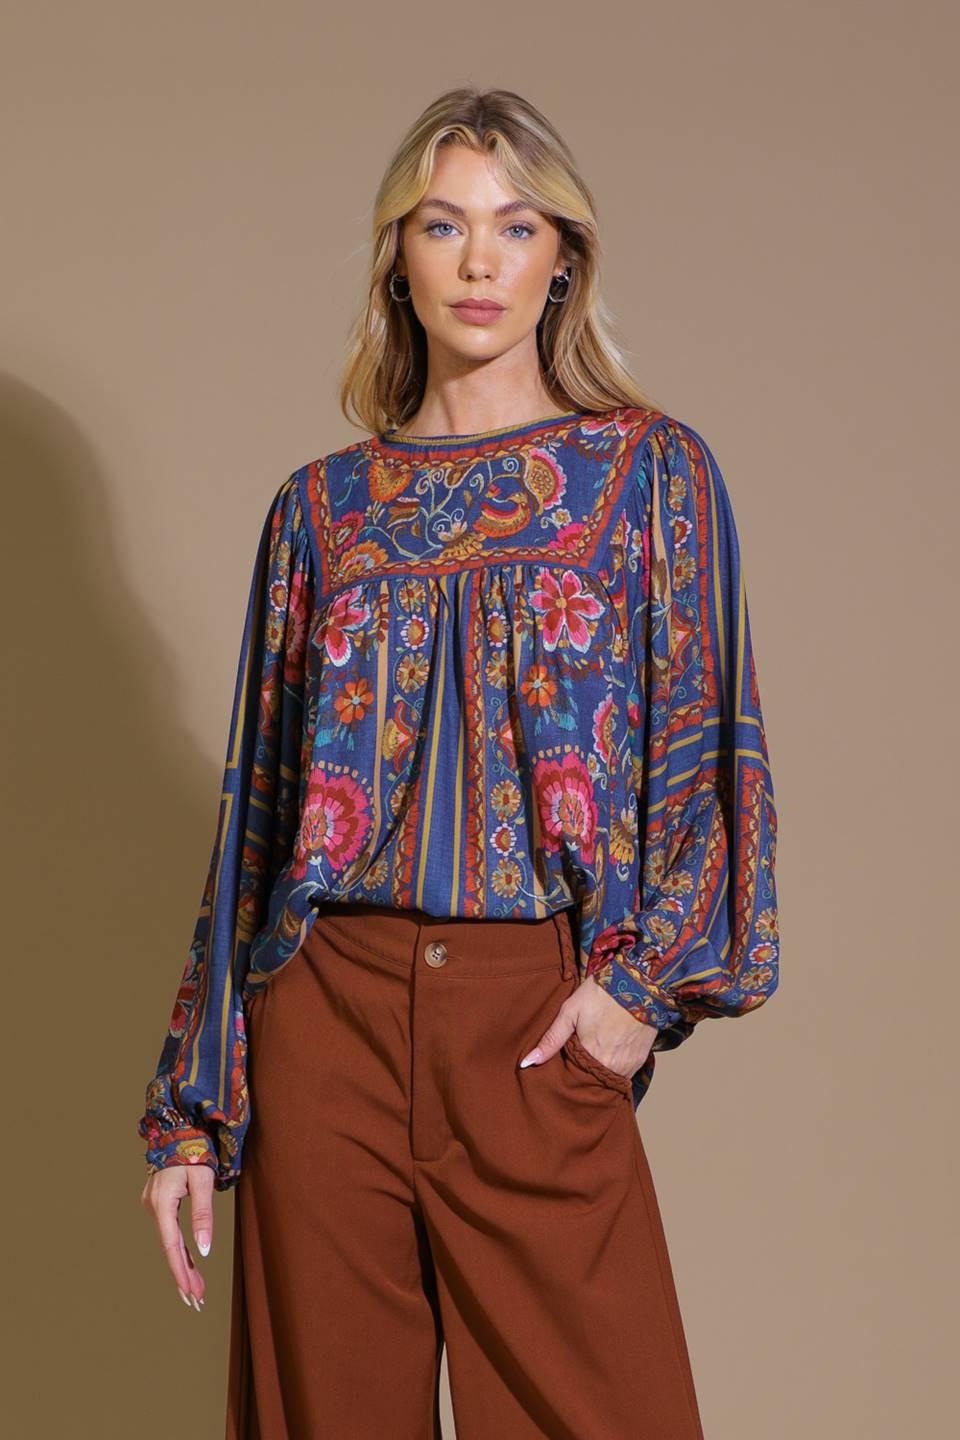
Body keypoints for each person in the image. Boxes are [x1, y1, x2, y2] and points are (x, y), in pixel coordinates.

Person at [138, 85, 780, 1439]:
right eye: (442, 225)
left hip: (534, 1018)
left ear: (564, 260)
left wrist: (636, 992)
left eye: (515, 226)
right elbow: (254, 819)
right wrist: (196, 1110)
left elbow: (709, 753)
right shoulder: (319, 511)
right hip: (328, 1016)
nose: (480, 261)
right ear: (398, 257)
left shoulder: (649, 475)